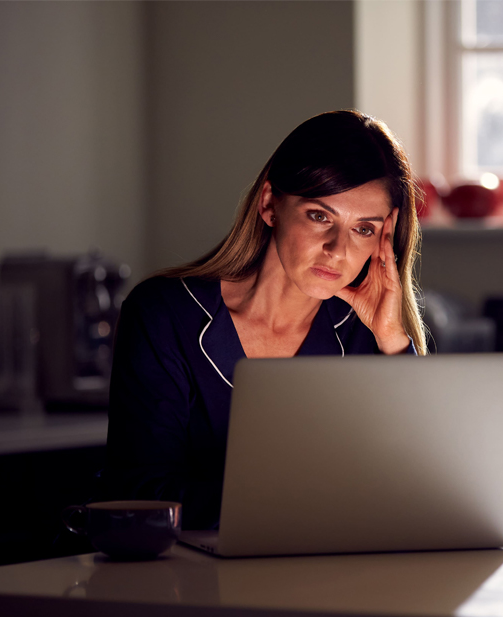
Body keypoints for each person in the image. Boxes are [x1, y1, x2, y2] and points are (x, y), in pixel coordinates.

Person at [102, 110, 427, 530]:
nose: (337, 249)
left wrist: (393, 339)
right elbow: (138, 494)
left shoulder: (367, 337)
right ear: (270, 204)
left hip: (332, 583)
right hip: (184, 582)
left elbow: (421, 489)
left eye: (363, 229)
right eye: (319, 216)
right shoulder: (164, 314)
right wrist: (302, 503)